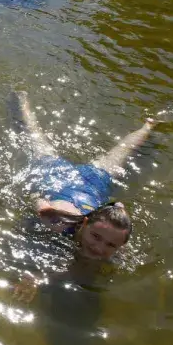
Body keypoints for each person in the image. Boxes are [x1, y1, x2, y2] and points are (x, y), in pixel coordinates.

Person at [11, 91, 155, 302]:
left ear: (120, 246)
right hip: (65, 178)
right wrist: (39, 202)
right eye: (96, 236)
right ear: (85, 224)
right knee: (34, 137)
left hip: (92, 188)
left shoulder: (118, 245)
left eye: (110, 245)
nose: (99, 248)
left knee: (124, 151)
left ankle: (149, 125)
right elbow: (38, 199)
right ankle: (22, 100)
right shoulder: (59, 222)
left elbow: (120, 208)